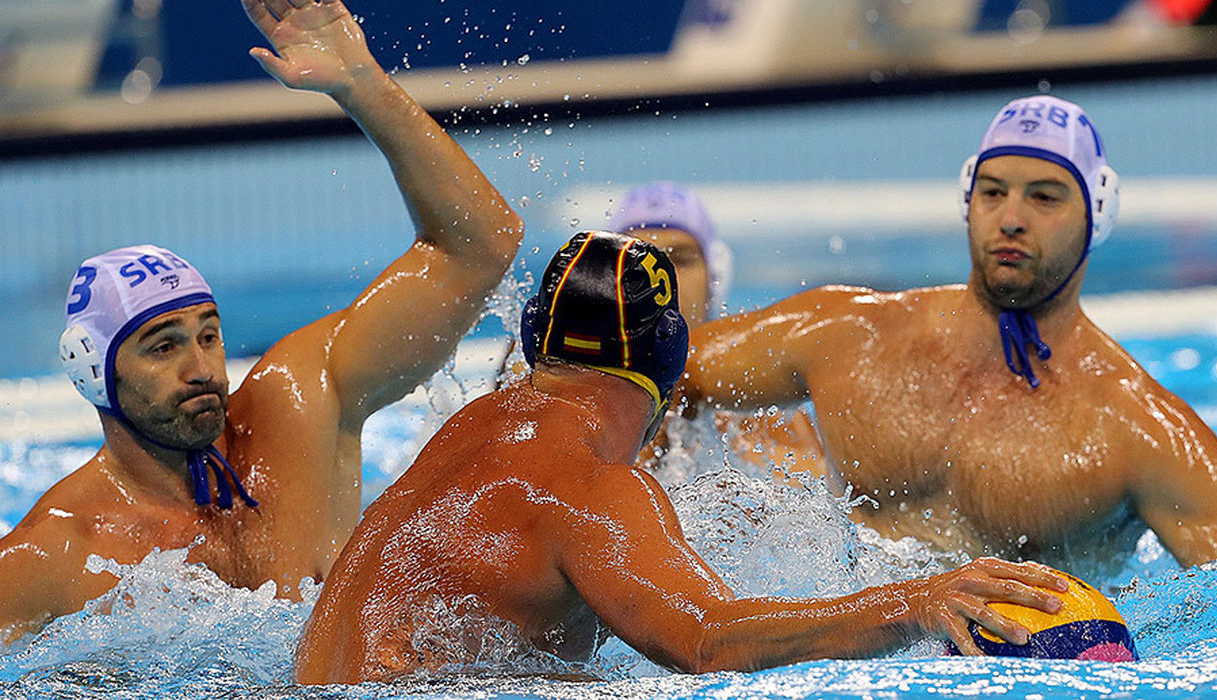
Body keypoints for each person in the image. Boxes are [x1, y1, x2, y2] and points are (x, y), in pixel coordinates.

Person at [294, 230, 1070, 684]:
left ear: (536, 340)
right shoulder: (594, 485)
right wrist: (914, 599)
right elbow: (710, 639)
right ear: (670, 360)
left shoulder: (472, 427)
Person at [0, 0, 522, 644]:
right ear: (92, 373)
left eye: (208, 335)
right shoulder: (53, 555)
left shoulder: (298, 406)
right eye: (162, 345)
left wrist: (361, 85)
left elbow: (480, 246)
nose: (201, 367)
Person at [682, 94, 1217, 567]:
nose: (1011, 219)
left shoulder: (1140, 431)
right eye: (993, 193)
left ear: (1098, 214)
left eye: (1045, 197)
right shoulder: (849, 335)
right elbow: (642, 371)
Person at [607, 182, 826, 482]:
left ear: (716, 279)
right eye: (640, 260)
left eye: (681, 259)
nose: (660, 278)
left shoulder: (767, 412)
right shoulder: (574, 396)